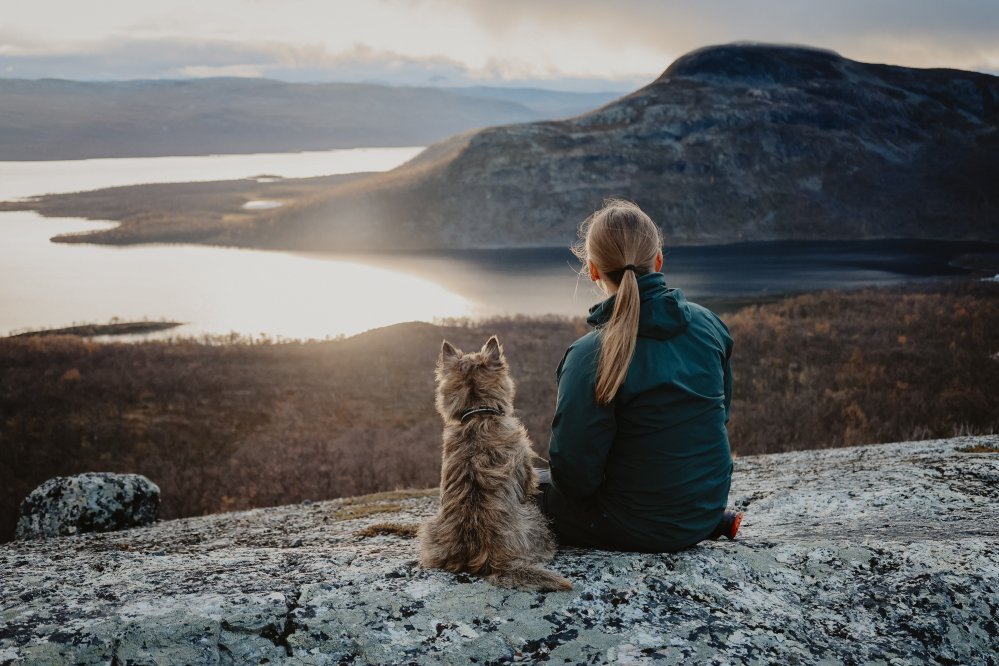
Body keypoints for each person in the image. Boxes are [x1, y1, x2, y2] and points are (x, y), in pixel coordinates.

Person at [537, 199, 741, 552]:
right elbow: (718, 416)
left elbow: (574, 479)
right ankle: (709, 523)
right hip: (702, 509)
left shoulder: (588, 355)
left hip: (631, 526)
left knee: (525, 487)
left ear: (593, 270)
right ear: (659, 260)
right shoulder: (709, 325)